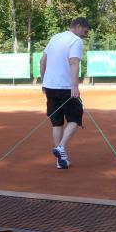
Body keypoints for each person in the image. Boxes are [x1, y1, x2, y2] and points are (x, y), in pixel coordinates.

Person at [39, 17, 90, 169]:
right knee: (75, 118)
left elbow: (42, 61)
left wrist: (44, 81)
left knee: (57, 122)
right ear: (78, 26)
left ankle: (60, 161)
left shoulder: (55, 38)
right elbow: (74, 62)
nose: (85, 35)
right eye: (85, 31)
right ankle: (61, 147)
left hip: (50, 86)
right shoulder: (76, 41)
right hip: (66, 87)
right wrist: (75, 86)